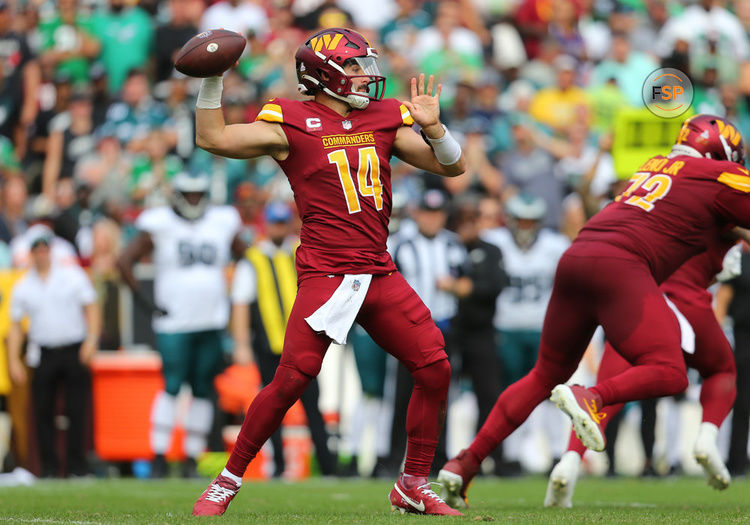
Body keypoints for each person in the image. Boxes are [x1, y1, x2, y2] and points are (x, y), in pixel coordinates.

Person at [190, 27, 466, 517]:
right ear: (325, 76)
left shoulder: (383, 117)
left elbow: (452, 168)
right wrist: (211, 81)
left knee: (435, 367)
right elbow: (211, 137)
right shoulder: (290, 119)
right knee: (292, 380)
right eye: (356, 67)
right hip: (327, 274)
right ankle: (227, 481)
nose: (367, 77)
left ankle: (412, 482)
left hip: (379, 272)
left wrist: (436, 129)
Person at [437, 113, 750, 508]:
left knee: (544, 375)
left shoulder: (656, 165)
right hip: (622, 267)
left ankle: (463, 463)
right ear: (722, 154)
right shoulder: (717, 175)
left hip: (577, 256)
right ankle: (593, 395)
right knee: (670, 371)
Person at [545, 238, 742, 507]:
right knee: (722, 371)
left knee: (600, 399)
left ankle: (568, 462)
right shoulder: (713, 208)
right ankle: (707, 437)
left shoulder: (648, 208)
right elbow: (727, 261)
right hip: (687, 301)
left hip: (641, 305)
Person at [117, 172, 245, 478]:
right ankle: (159, 454)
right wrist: (148, 305)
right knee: (172, 386)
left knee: (202, 389)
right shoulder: (160, 223)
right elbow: (124, 261)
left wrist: (233, 293)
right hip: (174, 323)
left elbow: (246, 256)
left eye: (198, 194)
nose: (194, 200)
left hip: (210, 321)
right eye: (188, 195)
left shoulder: (222, 220)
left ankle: (191, 457)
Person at [230, 201, 336, 477]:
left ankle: (328, 466)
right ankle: (277, 465)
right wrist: (241, 343)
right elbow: (241, 302)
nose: (278, 228)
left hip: (303, 344)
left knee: (313, 405)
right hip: (267, 345)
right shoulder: (253, 258)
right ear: (267, 224)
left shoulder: (299, 253)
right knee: (272, 409)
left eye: (282, 222)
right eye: (274, 223)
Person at [6, 225, 100, 477]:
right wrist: (13, 360)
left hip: (73, 349)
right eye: (36, 249)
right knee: (43, 411)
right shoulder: (24, 285)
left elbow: (91, 306)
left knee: (76, 409)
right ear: (31, 253)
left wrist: (91, 340)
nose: (41, 253)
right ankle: (48, 467)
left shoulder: (71, 275)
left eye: (44, 248)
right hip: (44, 353)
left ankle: (77, 466)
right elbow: (16, 327)